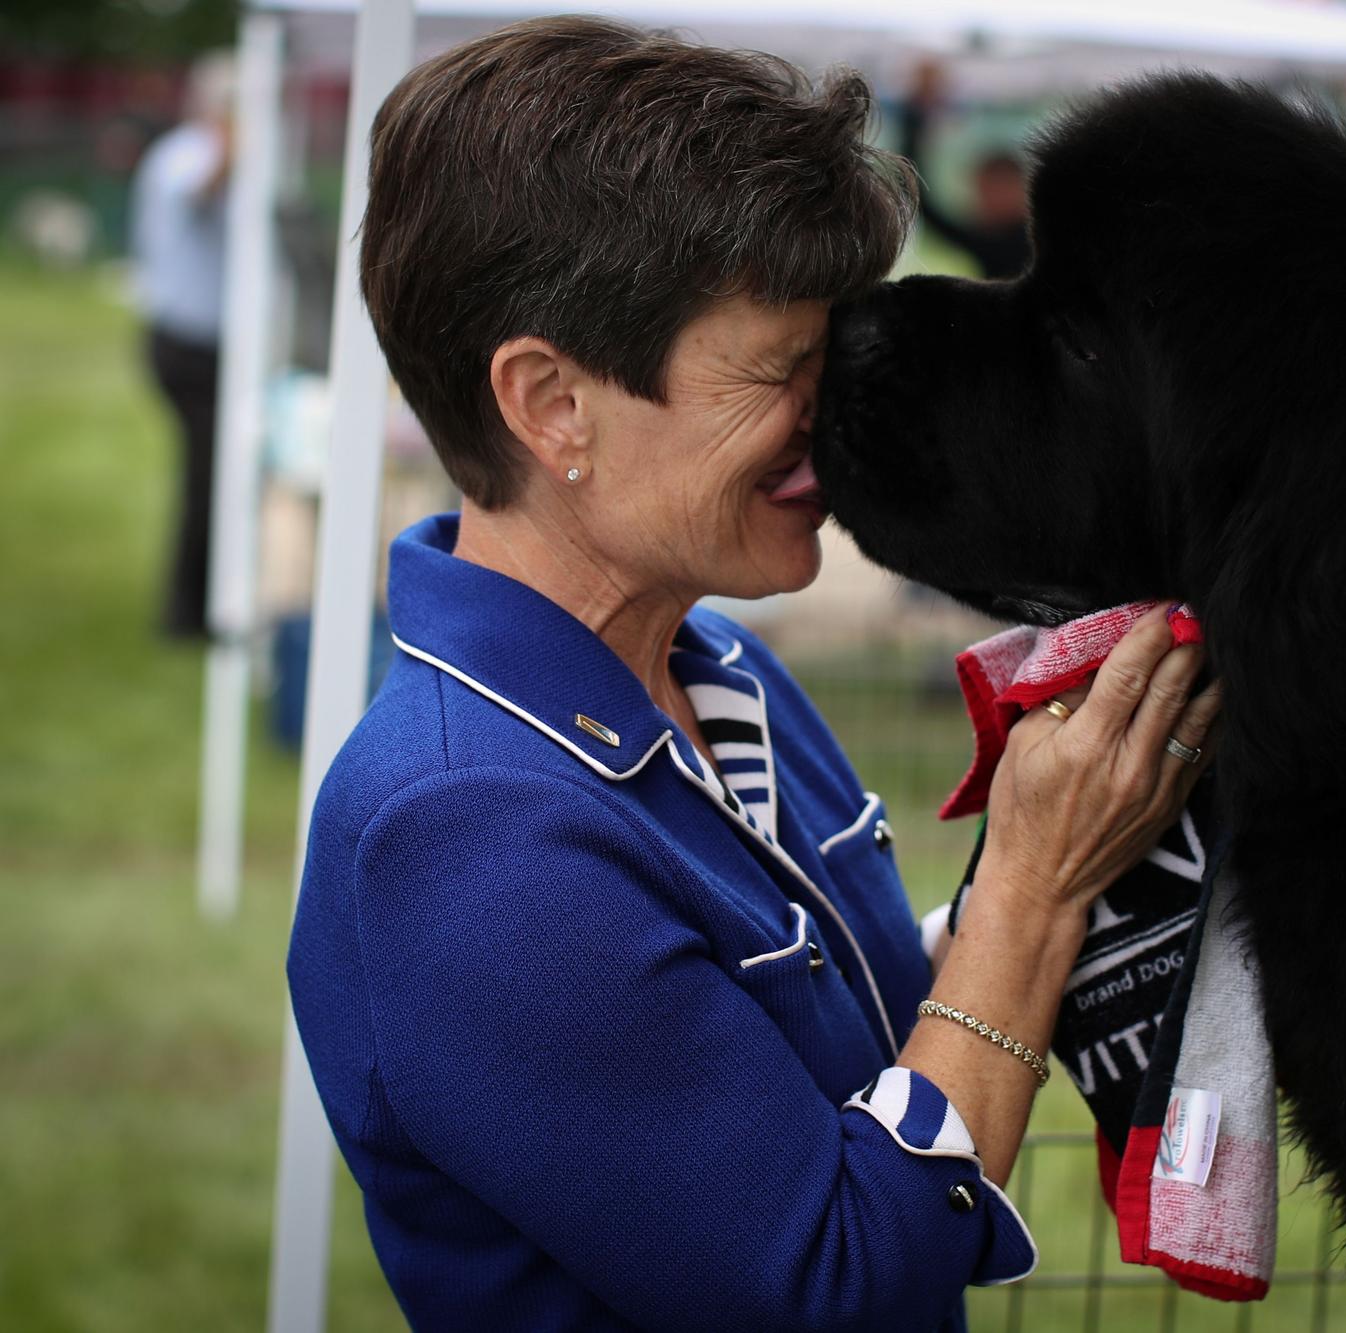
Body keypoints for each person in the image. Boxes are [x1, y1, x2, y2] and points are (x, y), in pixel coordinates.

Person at [286, 18, 1221, 1331]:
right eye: (786, 371)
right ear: (552, 404)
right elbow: (836, 1288)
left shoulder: (710, 672)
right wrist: (1027, 889)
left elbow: (860, 1044)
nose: (832, 421)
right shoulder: (464, 841)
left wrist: (1097, 840)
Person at [131, 53, 232, 639]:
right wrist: (234, 141)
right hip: (189, 345)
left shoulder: (186, 150)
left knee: (211, 474)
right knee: (206, 477)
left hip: (200, 342)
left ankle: (194, 605)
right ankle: (187, 613)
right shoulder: (185, 155)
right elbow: (199, 193)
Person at [898, 60, 1032, 279]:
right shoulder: (991, 239)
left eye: (994, 190)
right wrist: (916, 114)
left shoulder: (1022, 242)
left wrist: (916, 113)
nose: (983, 201)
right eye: (981, 191)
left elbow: (920, 202)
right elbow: (919, 201)